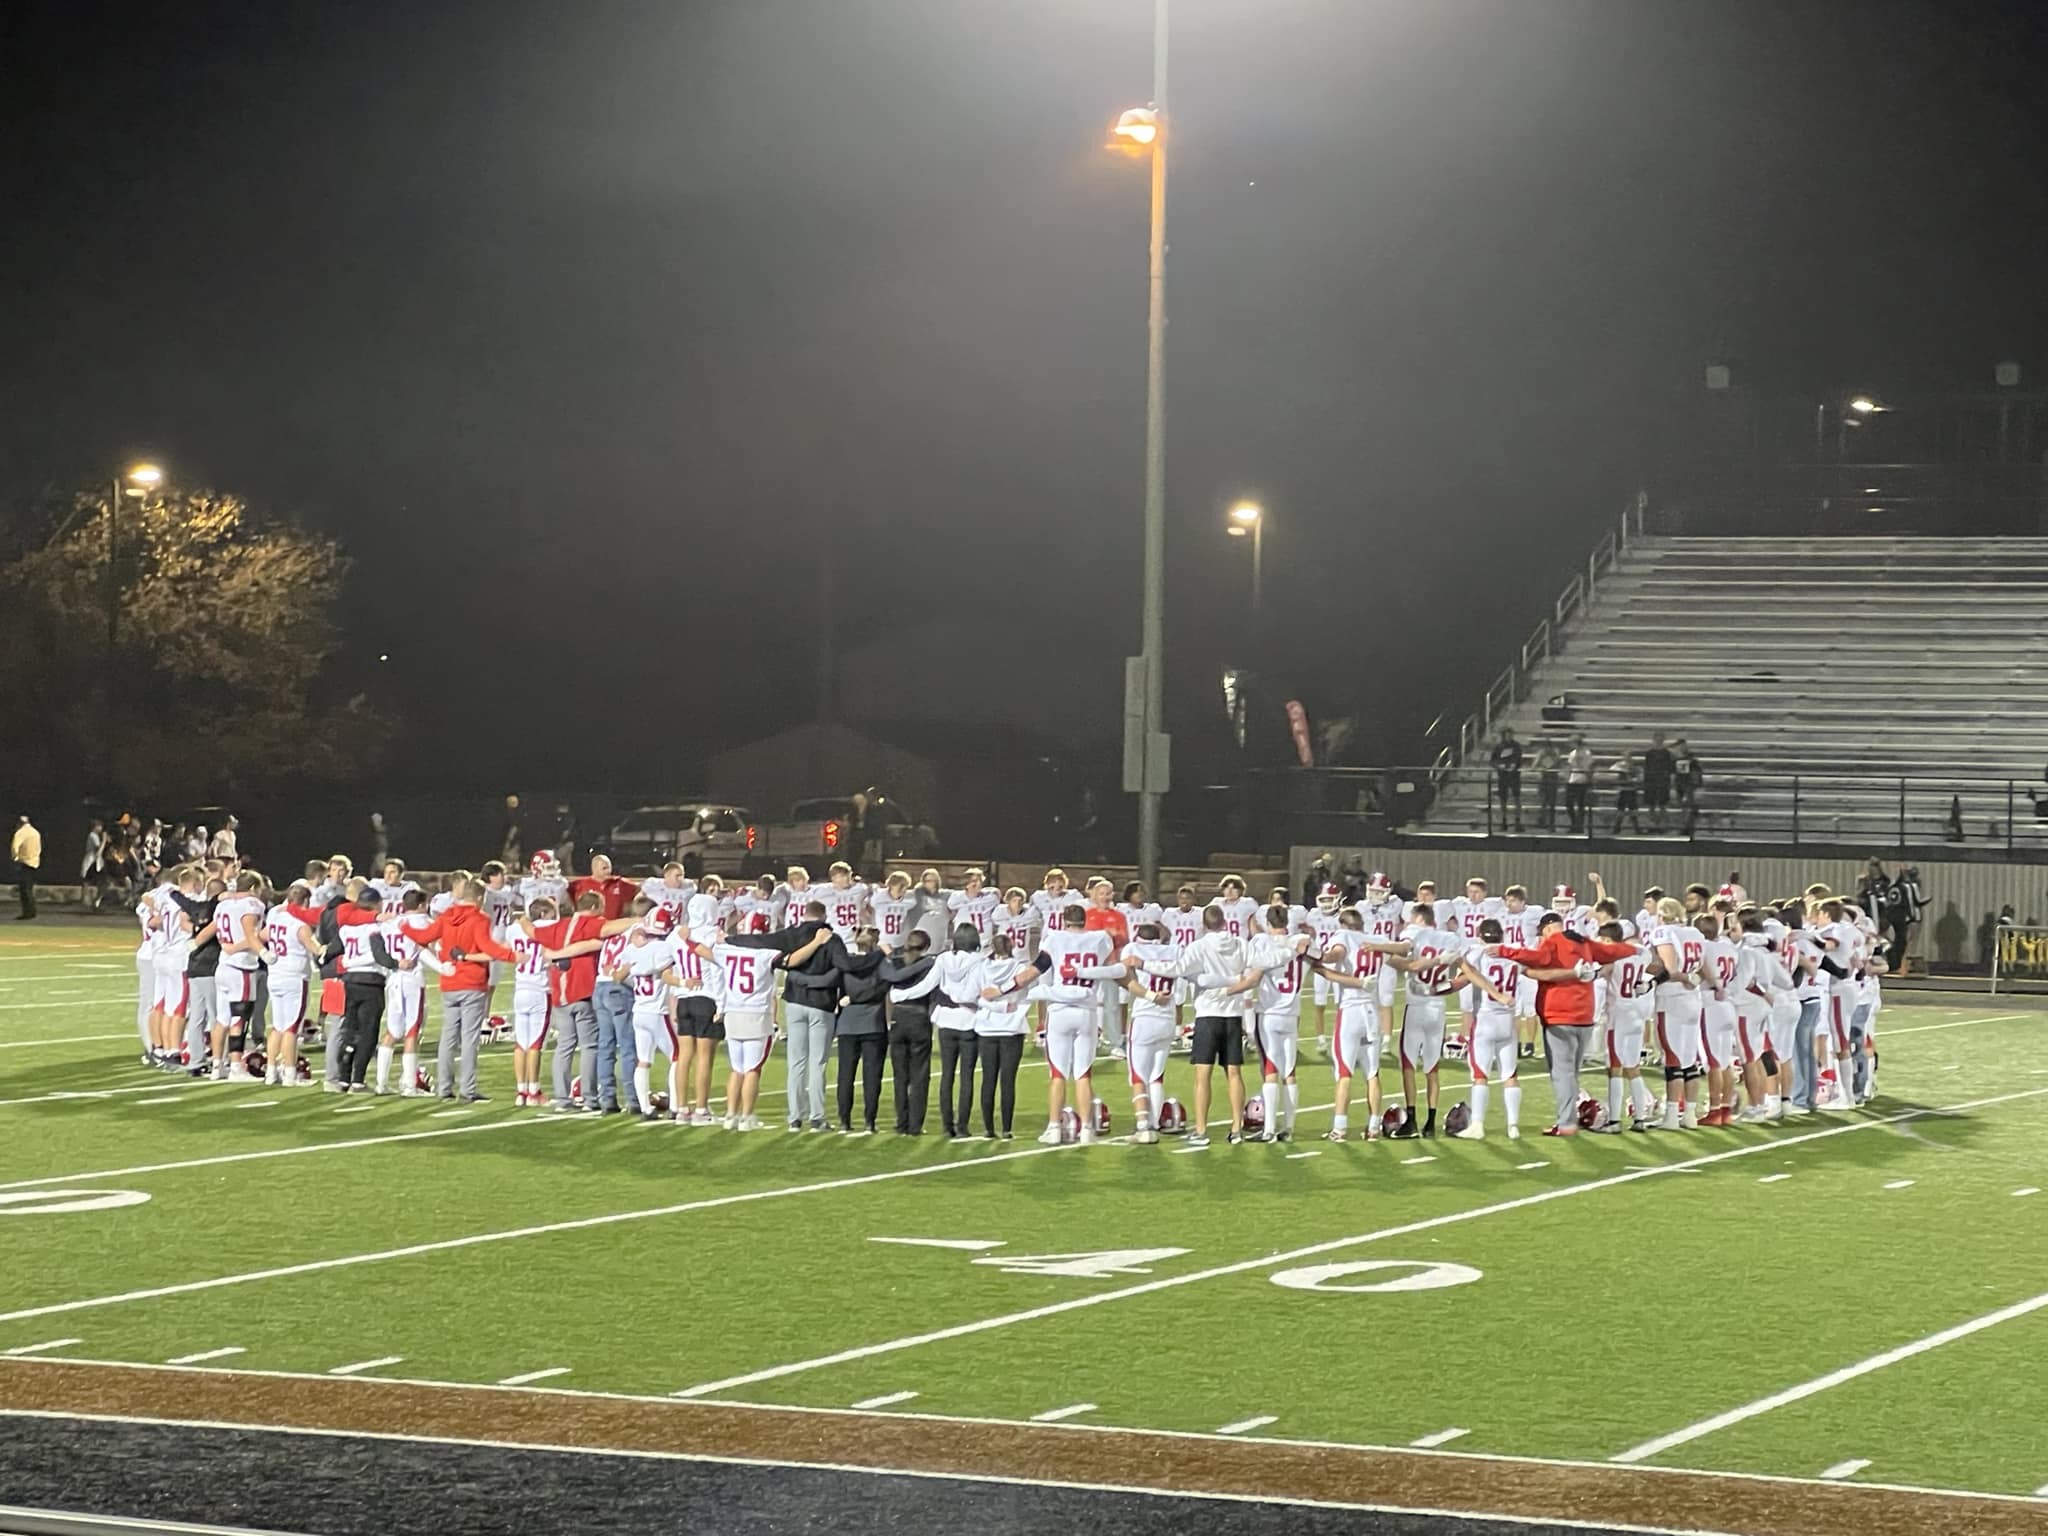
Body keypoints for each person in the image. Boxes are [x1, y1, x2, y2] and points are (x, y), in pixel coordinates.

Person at [1488, 909, 1639, 1136]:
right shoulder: (1584, 942)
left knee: (1562, 1073)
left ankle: (1567, 1123)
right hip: (1585, 1015)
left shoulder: (1554, 941)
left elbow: (1538, 958)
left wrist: (1502, 950)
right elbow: (1612, 951)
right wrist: (1637, 949)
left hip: (1559, 1014)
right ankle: (1570, 1116)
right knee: (1572, 1072)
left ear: (1548, 928)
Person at [996, 906, 1123, 1145]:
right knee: (1083, 1074)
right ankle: (1086, 1130)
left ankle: (1054, 1127)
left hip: (1060, 1010)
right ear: (1084, 921)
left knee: (1058, 1074)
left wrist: (1001, 990)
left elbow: (1032, 973)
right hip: (1086, 1010)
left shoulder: (1055, 939)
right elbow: (1113, 968)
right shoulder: (1099, 939)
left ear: (1064, 921)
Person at [1222, 906, 1315, 1142]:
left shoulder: (1262, 942)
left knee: (1271, 1070)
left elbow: (1252, 974)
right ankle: (1289, 1129)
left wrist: (1227, 991)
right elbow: (1321, 958)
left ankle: (1270, 1130)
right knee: (1290, 1072)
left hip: (1269, 1013)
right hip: (1292, 1013)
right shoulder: (1301, 942)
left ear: (1267, 922)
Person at [1451, 919, 1524, 1139]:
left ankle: (1478, 1125)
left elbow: (1467, 972)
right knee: (1510, 1073)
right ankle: (1513, 1126)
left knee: (1480, 1074)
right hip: (1508, 1021)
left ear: (1480, 935)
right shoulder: (1513, 953)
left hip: (1486, 1019)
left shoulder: (1478, 953)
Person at [826, 926, 889, 1134]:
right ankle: (870, 1121)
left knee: (846, 1074)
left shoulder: (845, 964)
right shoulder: (880, 964)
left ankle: (844, 1120)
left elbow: (836, 987)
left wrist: (848, 1000)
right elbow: (881, 989)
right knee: (872, 1075)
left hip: (847, 1024)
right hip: (873, 1024)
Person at [930, 925, 988, 1138]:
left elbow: (930, 984)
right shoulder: (979, 961)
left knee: (947, 1074)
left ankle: (947, 1126)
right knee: (967, 1076)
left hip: (945, 1020)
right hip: (969, 1022)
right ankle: (962, 1125)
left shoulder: (943, 959)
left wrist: (901, 994)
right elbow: (976, 992)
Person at [973, 932, 1031, 1138]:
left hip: (986, 1027)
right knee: (1008, 1080)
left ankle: (988, 1128)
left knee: (988, 1078)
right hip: (1012, 1027)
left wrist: (993, 1007)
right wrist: (1005, 1007)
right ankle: (1006, 1128)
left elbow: (976, 996)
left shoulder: (981, 967)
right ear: (1012, 946)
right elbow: (1025, 993)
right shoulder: (1021, 968)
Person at [881, 932, 936, 1134]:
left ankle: (901, 1122)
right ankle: (915, 1124)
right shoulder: (929, 965)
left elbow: (889, 979)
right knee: (919, 1075)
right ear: (926, 946)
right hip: (919, 1018)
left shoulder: (895, 963)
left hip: (898, 1018)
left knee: (900, 1075)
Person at [1490, 729, 1524, 829]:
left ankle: (1518, 822)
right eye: (1507, 735)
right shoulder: (1499, 747)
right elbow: (1493, 761)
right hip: (1503, 776)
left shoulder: (1516, 746)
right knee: (1503, 800)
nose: (1509, 736)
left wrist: (1515, 765)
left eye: (1511, 735)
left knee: (1516, 798)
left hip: (1514, 776)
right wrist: (1500, 766)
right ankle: (1504, 821)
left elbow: (1520, 759)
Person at [1641, 733, 1675, 830]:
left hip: (1663, 782)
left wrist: (1670, 781)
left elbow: (1670, 768)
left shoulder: (1667, 753)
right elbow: (1646, 768)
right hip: (1651, 782)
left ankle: (1663, 825)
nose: (1658, 741)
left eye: (1660, 739)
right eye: (1657, 739)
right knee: (1651, 804)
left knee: (1662, 804)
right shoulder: (1649, 753)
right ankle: (1653, 824)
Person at [11, 814, 42, 919]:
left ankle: (27, 912)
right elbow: (38, 848)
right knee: (29, 888)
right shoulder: (35, 832)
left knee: (24, 889)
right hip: (34, 863)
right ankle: (32, 911)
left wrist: (15, 858)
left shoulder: (20, 833)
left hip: (24, 862)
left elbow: (15, 847)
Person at [1563, 737, 1595, 833]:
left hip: (1582, 779)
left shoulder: (1587, 753)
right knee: (1569, 804)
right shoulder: (1572, 753)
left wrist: (1589, 779)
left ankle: (1579, 825)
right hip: (1573, 780)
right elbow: (1570, 766)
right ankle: (1574, 823)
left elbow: (1589, 766)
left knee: (1581, 804)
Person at [1608, 749, 1643, 834]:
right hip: (1622, 790)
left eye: (1629, 756)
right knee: (1621, 810)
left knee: (1633, 810)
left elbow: (1640, 777)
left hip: (1631, 790)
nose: (1627, 758)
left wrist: (1633, 779)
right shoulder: (1618, 765)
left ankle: (1636, 828)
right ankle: (1617, 827)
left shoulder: (1636, 767)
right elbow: (1611, 773)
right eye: (1625, 756)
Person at [1533, 741, 1562, 831]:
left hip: (1552, 779)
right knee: (1543, 802)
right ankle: (1542, 821)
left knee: (1552, 803)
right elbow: (1534, 766)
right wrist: (1541, 766)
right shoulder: (1541, 754)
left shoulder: (1555, 754)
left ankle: (1551, 823)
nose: (1548, 750)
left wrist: (1554, 761)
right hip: (1544, 779)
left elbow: (1558, 765)